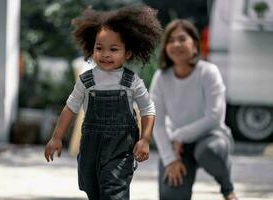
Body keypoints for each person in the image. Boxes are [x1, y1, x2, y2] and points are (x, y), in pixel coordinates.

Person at [44, 5, 161, 200]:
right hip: (91, 147)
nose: (105, 54)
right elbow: (70, 108)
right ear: (92, 48)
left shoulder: (131, 82)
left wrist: (145, 139)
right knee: (93, 190)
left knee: (114, 191)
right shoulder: (86, 81)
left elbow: (148, 109)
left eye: (113, 49)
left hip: (120, 148)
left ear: (128, 53)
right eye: (99, 48)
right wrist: (56, 137)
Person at [150, 19, 238, 200]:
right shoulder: (161, 77)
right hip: (179, 148)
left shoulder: (208, 72)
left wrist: (179, 136)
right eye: (170, 40)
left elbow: (214, 117)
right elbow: (156, 123)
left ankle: (227, 189)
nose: (176, 44)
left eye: (182, 39)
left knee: (209, 151)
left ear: (195, 44)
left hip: (211, 138)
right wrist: (171, 160)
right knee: (171, 196)